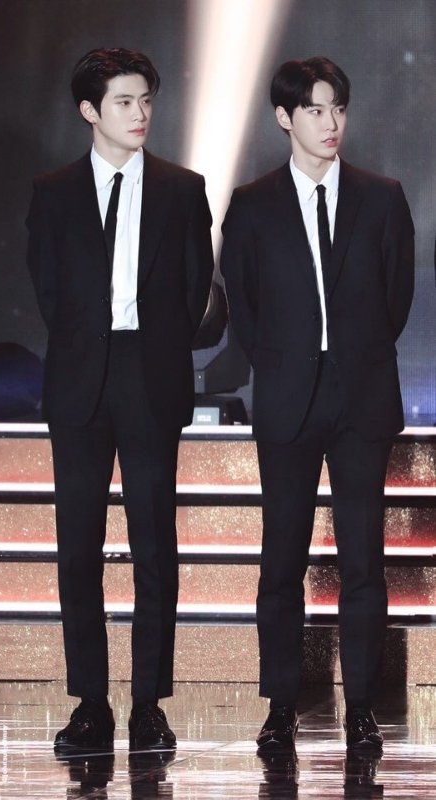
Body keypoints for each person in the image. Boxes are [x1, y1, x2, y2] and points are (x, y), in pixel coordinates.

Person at [221, 56, 414, 752]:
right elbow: (245, 307)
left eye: (338, 108)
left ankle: (361, 708)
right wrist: (286, 364)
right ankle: (281, 708)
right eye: (315, 109)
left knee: (364, 560)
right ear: (284, 117)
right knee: (281, 561)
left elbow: (395, 299)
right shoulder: (252, 204)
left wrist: (352, 355)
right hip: (287, 399)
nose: (331, 123)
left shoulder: (381, 197)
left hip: (361, 397)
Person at [27, 47, 214, 752]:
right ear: (89, 110)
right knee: (77, 548)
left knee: (154, 548)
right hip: (79, 380)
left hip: (150, 377)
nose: (140, 114)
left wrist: (152, 349)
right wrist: (91, 343)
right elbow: (49, 290)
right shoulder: (54, 192)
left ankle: (148, 706)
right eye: (125, 102)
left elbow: (195, 286)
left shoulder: (181, 189)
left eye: (146, 101)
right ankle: (90, 704)